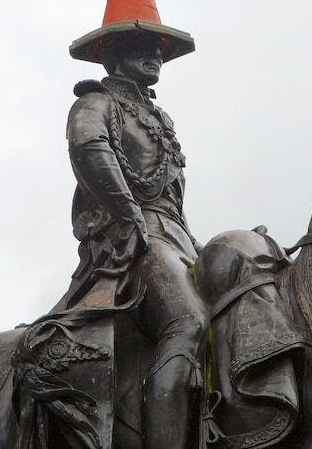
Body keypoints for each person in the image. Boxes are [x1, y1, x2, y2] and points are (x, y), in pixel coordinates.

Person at [66, 29, 208, 448]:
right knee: (189, 321)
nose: (154, 56)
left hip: (175, 238)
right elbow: (89, 148)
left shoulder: (161, 120)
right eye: (141, 47)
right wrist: (129, 218)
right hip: (131, 237)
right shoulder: (96, 103)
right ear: (111, 54)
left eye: (159, 50)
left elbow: (173, 200)